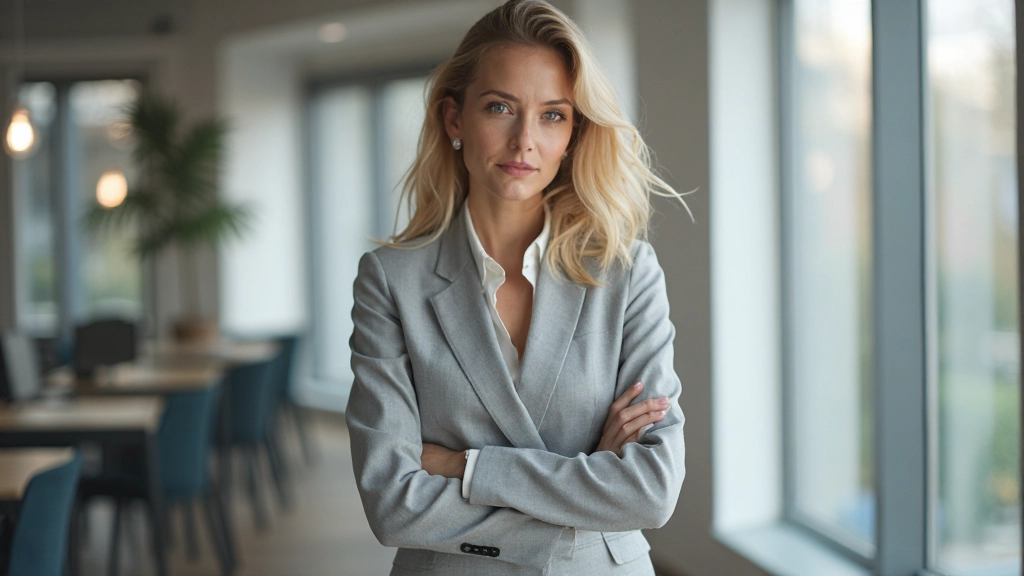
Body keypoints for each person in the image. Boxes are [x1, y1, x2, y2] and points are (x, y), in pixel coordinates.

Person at [345, 1, 687, 574]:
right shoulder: (390, 281)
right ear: (454, 119)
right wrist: (585, 492)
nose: (525, 139)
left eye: (553, 115)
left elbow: (650, 491)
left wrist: (465, 467)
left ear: (574, 132)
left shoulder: (628, 273)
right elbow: (392, 505)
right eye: (500, 107)